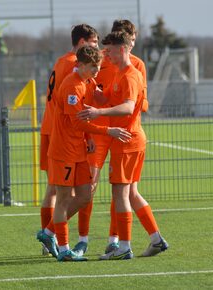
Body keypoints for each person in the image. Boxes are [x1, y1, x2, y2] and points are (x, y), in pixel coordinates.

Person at [78, 31, 168, 260]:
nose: (105, 55)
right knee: (132, 193)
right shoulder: (120, 73)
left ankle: (124, 247)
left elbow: (128, 107)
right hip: (130, 139)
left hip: (126, 140)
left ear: (123, 48)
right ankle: (156, 239)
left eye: (109, 51)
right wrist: (86, 80)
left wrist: (99, 113)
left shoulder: (130, 75)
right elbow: (104, 98)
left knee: (120, 193)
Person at [38, 45, 131, 262]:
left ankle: (49, 232)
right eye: (92, 68)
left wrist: (89, 139)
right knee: (62, 199)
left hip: (78, 149)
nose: (96, 72)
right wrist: (109, 130)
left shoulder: (87, 81)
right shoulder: (71, 87)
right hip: (63, 151)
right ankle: (64, 250)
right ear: (79, 65)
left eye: (98, 67)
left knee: (85, 196)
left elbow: (89, 111)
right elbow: (78, 122)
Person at [37, 24, 100, 256]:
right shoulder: (72, 66)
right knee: (58, 192)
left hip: (57, 130)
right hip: (61, 133)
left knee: (57, 191)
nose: (97, 47)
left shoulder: (64, 62)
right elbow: (71, 104)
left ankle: (49, 237)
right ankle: (53, 240)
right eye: (94, 42)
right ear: (83, 42)